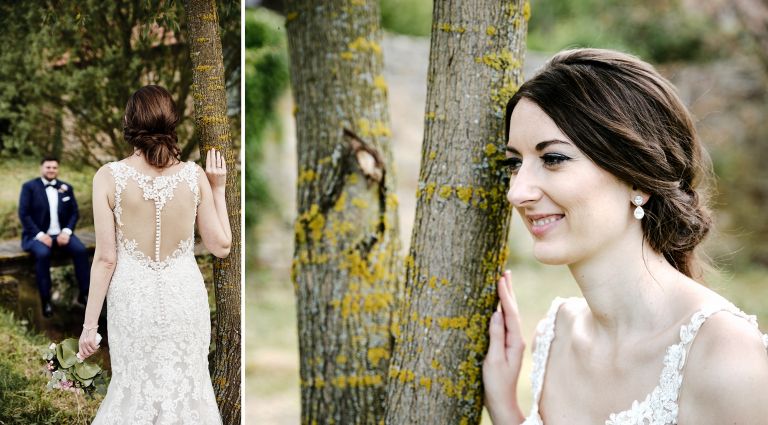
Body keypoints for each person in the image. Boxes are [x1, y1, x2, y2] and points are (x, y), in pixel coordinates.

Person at [482, 48, 768, 424]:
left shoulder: (726, 356)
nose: (517, 192)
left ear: (637, 177)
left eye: (553, 159)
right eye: (515, 163)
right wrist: (505, 409)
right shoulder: (555, 337)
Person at [77, 85, 231, 423]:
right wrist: (218, 189)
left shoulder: (108, 177)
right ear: (171, 122)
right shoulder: (194, 176)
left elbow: (105, 259)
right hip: (183, 299)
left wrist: (89, 326)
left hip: (132, 301)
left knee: (132, 388)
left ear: (130, 123)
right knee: (188, 387)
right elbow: (222, 246)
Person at [19, 156, 91, 317]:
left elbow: (74, 213)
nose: (51, 170)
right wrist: (39, 234)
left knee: (80, 250)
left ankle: (84, 294)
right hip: (36, 236)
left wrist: (66, 232)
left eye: (54, 167)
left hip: (61, 234)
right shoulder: (29, 187)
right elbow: (24, 214)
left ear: (58, 170)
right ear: (41, 168)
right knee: (43, 254)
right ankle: (46, 300)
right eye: (48, 167)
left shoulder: (66, 188)